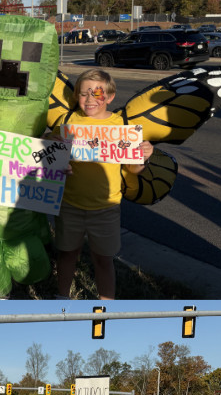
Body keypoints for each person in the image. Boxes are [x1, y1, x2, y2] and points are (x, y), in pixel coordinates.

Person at [53, 69, 153, 300]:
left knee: (103, 259)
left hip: (106, 208)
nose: (89, 100)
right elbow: (52, 160)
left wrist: (142, 157)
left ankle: (106, 305)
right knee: (67, 254)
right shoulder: (66, 121)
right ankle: (61, 299)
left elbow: (132, 169)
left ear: (109, 97)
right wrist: (56, 158)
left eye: (96, 93)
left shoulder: (120, 126)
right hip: (69, 204)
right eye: (83, 93)